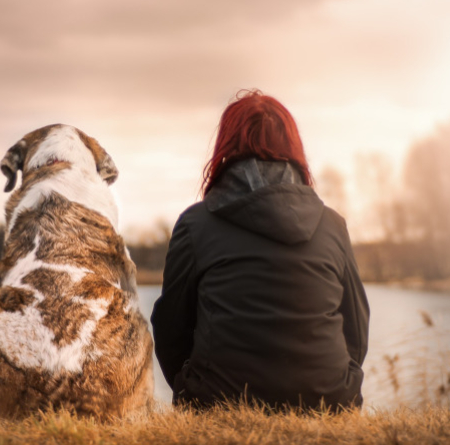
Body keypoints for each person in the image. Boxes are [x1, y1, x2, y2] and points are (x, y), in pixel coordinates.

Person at [150, 89, 370, 411]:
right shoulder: (332, 225)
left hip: (218, 401)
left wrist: (190, 388)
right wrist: (339, 383)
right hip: (329, 401)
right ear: (293, 148)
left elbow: (171, 329)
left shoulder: (195, 225)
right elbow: (356, 327)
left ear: (225, 147)